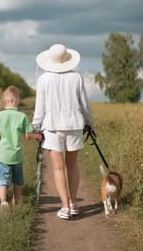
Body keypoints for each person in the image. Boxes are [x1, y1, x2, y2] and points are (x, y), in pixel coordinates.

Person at [31, 43, 93, 220]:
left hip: (52, 127)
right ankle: (73, 203)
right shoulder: (77, 78)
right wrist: (90, 122)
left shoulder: (43, 80)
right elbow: (84, 104)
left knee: (58, 168)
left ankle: (65, 207)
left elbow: (39, 109)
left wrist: (35, 128)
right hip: (74, 125)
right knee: (72, 165)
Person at [0, 86, 43, 214]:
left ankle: (3, 201)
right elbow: (27, 136)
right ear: (17, 101)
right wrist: (37, 136)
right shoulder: (21, 116)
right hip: (16, 155)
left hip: (2, 155)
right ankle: (16, 203)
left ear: (4, 102)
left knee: (2, 179)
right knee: (17, 181)